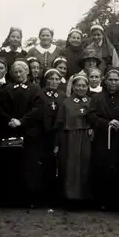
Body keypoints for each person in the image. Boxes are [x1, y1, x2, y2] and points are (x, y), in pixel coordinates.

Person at [0, 59, 44, 207]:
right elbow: (1, 109)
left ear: (27, 72)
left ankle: (29, 199)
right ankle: (12, 198)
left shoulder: (35, 89)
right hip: (10, 130)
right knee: (12, 164)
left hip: (29, 133)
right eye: (15, 72)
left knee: (29, 166)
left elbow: (38, 110)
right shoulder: (7, 89)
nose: (18, 74)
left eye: (21, 71)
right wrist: (10, 120)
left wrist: (22, 121)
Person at [87, 67, 119, 212]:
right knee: (102, 167)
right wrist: (106, 123)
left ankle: (116, 202)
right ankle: (101, 201)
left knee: (118, 167)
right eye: (110, 80)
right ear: (105, 81)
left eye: (116, 80)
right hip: (102, 137)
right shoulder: (97, 98)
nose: (113, 83)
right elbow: (91, 116)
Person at [54, 74, 94, 210]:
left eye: (84, 86)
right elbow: (60, 123)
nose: (81, 88)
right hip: (70, 137)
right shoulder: (66, 102)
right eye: (78, 85)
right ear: (73, 87)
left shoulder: (91, 101)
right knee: (71, 166)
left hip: (86, 137)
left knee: (85, 165)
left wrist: (92, 129)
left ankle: (85, 197)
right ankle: (70, 197)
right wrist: (57, 142)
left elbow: (94, 119)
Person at [39, 68, 67, 206]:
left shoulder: (62, 96)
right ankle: (42, 196)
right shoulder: (41, 94)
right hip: (43, 134)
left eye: (57, 79)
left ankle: (55, 197)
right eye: (51, 78)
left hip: (57, 133)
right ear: (46, 80)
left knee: (57, 165)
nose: (54, 82)